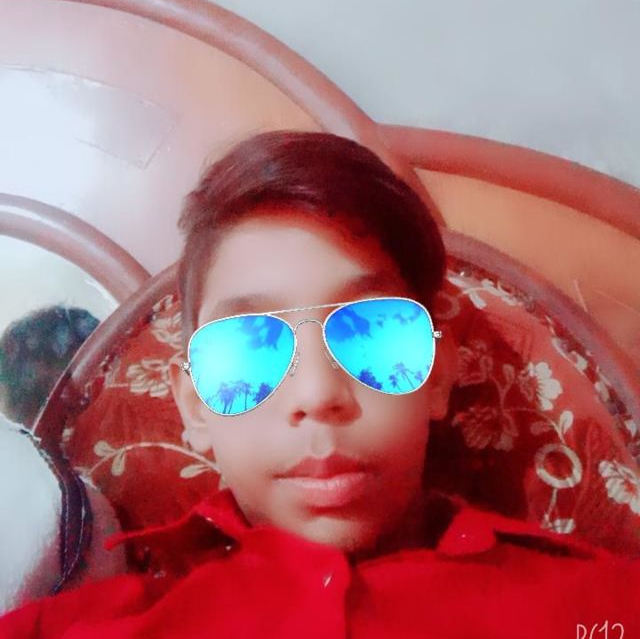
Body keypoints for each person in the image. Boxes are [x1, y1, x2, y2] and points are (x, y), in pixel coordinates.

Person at [1, 130, 639, 638]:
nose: (316, 396)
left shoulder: (603, 610)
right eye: (250, 348)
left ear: (438, 376)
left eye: (372, 333)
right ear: (194, 407)